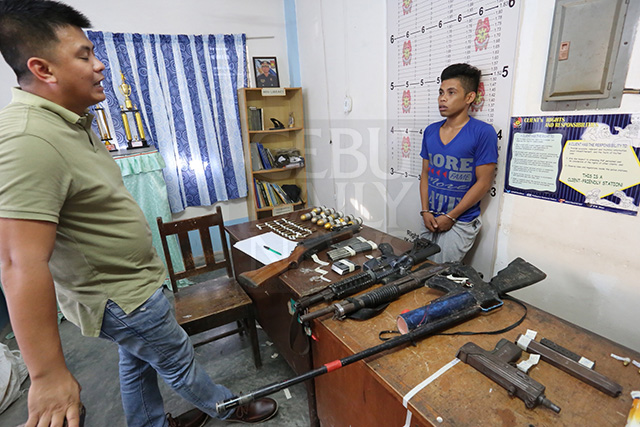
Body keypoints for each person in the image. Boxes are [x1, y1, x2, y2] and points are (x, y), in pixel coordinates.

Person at [0, 1, 277, 426]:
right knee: (177, 359)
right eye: (84, 55)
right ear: (43, 69)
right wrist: (47, 373)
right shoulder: (28, 138)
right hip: (121, 296)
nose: (100, 65)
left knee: (138, 361)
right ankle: (228, 406)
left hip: (132, 282)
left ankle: (150, 423)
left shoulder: (69, 121)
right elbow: (18, 260)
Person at [419, 63, 498, 263]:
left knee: (440, 274)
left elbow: (483, 183)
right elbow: (426, 174)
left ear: (469, 97)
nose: (442, 98)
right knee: (418, 269)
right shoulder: (430, 131)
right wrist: (425, 210)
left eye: (451, 92)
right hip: (430, 217)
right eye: (441, 92)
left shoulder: (482, 132)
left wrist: (451, 216)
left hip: (460, 220)